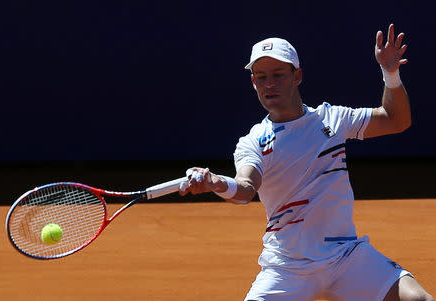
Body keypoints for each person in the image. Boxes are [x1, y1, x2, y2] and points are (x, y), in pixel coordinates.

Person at [179, 24, 434, 301]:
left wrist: (391, 73)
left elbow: (397, 120)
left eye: (278, 75)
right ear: (253, 82)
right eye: (261, 77)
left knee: (418, 299)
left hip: (346, 258)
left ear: (296, 76)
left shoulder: (333, 120)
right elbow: (245, 188)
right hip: (288, 269)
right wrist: (216, 182)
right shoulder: (252, 142)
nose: (269, 84)